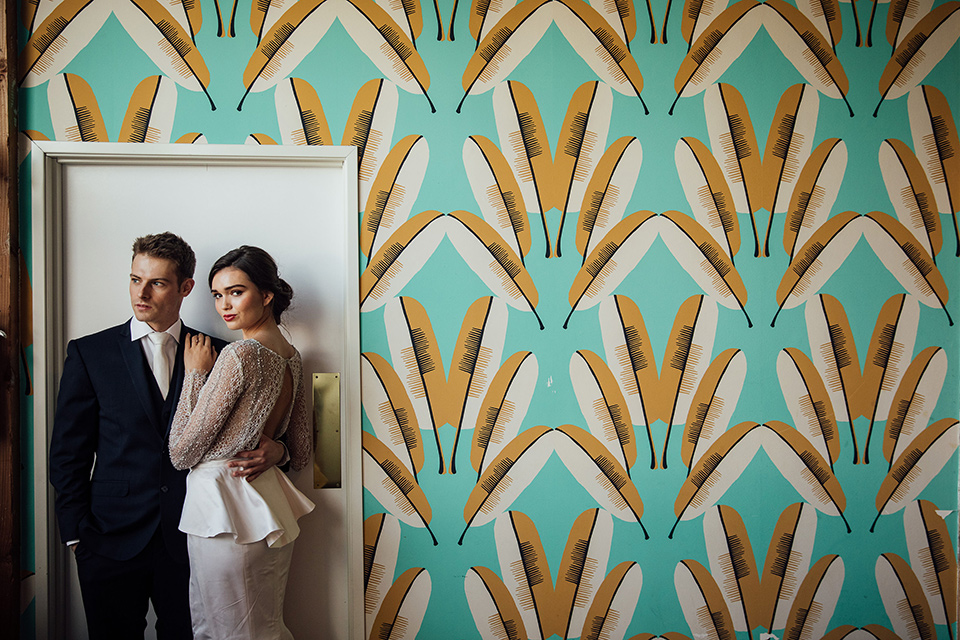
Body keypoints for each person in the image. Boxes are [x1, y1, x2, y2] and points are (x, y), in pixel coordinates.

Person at [49, 232, 286, 640]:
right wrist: (76, 536)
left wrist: (277, 451)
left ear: (185, 287)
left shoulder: (221, 353)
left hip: (193, 537)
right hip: (108, 539)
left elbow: (262, 432)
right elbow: (67, 453)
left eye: (157, 282)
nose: (141, 293)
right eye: (135, 279)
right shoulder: (90, 353)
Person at [169, 245, 314, 640]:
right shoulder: (292, 357)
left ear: (266, 295)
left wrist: (195, 374)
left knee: (223, 630)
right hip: (265, 503)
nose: (224, 305)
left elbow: (181, 452)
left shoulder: (240, 355)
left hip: (224, 509)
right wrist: (277, 449)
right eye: (217, 295)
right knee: (258, 626)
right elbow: (299, 450)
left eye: (236, 292)